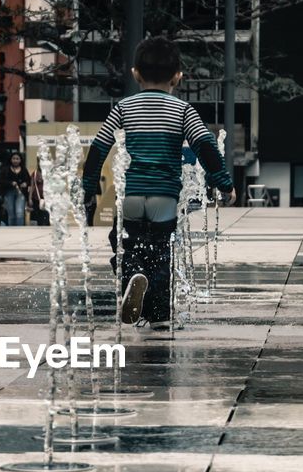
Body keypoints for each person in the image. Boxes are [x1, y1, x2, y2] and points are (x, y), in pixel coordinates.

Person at [81, 36, 234, 329]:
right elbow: (205, 146)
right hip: (165, 197)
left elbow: (99, 148)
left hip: (131, 197)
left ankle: (132, 277)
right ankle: (160, 315)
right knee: (161, 253)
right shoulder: (183, 110)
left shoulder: (124, 107)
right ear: (178, 76)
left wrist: (89, 188)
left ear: (135, 73)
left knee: (124, 245)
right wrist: (223, 183)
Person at [0, 152, 30, 226]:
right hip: (8, 193)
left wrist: (25, 184)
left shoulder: (23, 169)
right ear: (11, 159)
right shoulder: (6, 169)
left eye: (17, 159)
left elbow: (28, 180)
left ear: (20, 160)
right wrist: (10, 183)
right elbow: (1, 181)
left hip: (20, 193)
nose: (15, 160)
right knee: (11, 213)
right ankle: (12, 230)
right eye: (14, 158)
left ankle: (20, 231)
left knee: (19, 212)